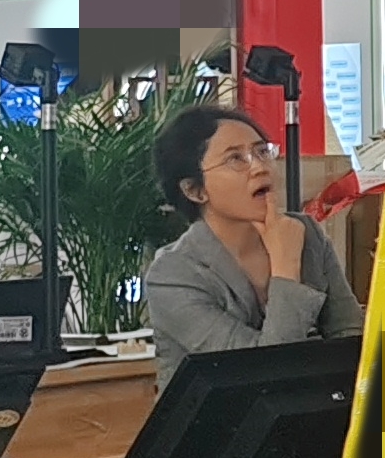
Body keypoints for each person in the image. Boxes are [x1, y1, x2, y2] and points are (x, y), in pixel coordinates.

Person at [139, 104, 364, 385]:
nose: (259, 167)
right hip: (228, 412)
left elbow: (350, 337)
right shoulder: (173, 275)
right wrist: (286, 269)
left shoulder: (306, 233)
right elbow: (259, 376)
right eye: (236, 158)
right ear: (195, 191)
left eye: (261, 152)